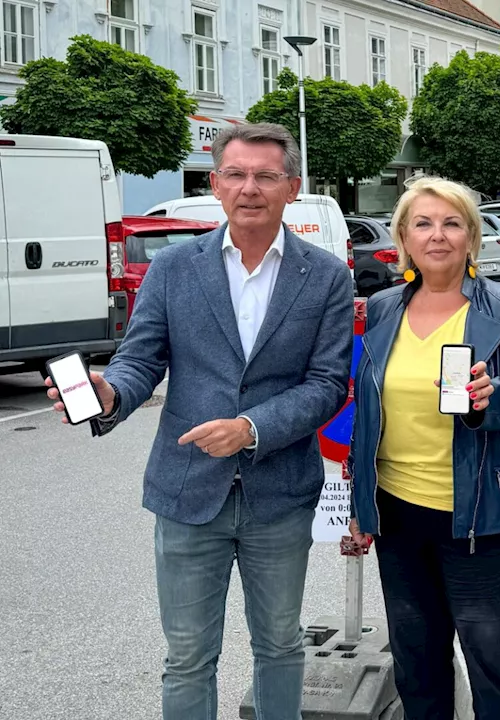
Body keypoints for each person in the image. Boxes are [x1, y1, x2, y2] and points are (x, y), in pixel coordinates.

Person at [46, 122, 354, 718]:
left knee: (280, 647)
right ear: (215, 183)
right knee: (187, 655)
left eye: (266, 176)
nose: (249, 188)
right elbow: (141, 359)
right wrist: (110, 393)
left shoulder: (326, 276)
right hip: (186, 492)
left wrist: (251, 428)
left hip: (279, 495)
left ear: (292, 187)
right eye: (235, 174)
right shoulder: (174, 268)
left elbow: (326, 386)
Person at [346, 176, 500, 720]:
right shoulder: (384, 307)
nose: (438, 235)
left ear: (471, 237)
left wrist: (489, 397)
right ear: (405, 240)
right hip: (400, 518)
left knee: (496, 672)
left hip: (485, 518)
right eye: (423, 224)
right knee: (418, 669)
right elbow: (367, 410)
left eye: (451, 223)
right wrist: (361, 506)